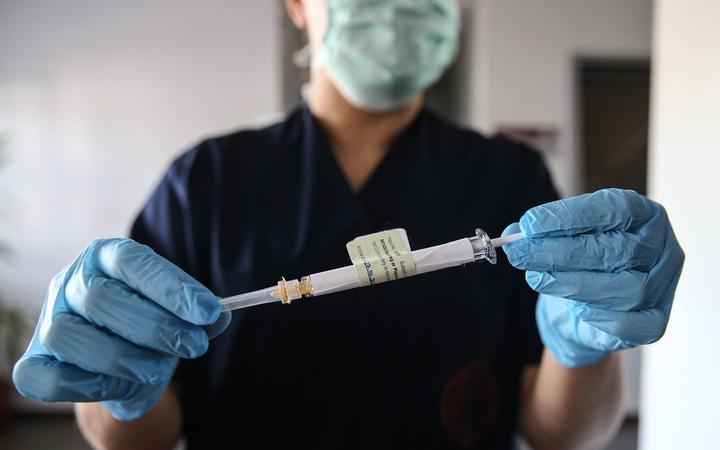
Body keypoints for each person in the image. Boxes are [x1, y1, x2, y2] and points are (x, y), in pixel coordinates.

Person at [12, 1, 684, 449]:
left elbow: (562, 434)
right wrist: (119, 391)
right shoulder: (207, 182)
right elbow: (135, 436)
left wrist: (582, 351)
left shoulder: (511, 182)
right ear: (299, 5)